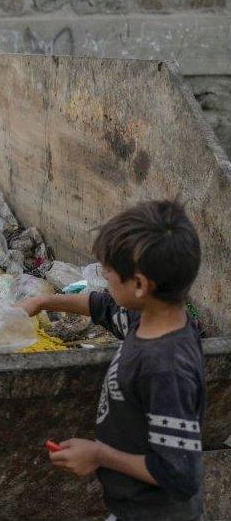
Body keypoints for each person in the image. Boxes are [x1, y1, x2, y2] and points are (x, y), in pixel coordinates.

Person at [19, 200, 204, 521]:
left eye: (109, 273)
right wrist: (44, 300)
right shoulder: (148, 319)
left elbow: (180, 475)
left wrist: (99, 454)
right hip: (129, 508)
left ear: (141, 285)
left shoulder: (166, 368)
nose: (104, 276)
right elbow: (102, 306)